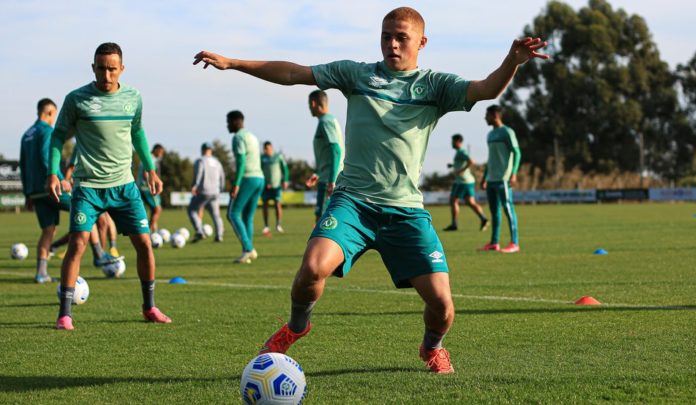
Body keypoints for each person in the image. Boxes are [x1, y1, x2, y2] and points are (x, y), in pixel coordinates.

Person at [194, 6, 547, 373]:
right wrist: (233, 63)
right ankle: (298, 325)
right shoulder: (357, 74)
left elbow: (485, 89)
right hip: (353, 203)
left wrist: (513, 61)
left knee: (443, 307)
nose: (392, 44)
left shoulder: (436, 87)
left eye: (401, 38)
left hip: (406, 211)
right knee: (312, 269)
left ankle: (432, 347)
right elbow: (294, 73)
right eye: (386, 36)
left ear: (421, 43)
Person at [47, 42, 172, 330]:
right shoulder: (76, 99)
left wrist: (150, 169)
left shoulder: (133, 97)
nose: (106, 75)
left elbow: (138, 132)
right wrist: (54, 173)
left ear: (122, 69)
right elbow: (58, 137)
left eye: (112, 69)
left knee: (144, 243)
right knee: (78, 243)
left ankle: (149, 307)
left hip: (124, 186)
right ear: (93, 68)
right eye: (101, 68)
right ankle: (65, 314)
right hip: (87, 187)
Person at [19, 98, 71, 283]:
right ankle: (99, 256)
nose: (53, 119)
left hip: (35, 191)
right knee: (85, 210)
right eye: (54, 115)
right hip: (51, 187)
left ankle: (41, 273)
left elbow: (23, 166)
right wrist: (61, 178)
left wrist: (27, 194)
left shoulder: (26, 134)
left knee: (48, 230)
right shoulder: (48, 131)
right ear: (49, 112)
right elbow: (45, 156)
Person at [64, 147, 124, 265]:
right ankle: (99, 254)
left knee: (103, 223)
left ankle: (100, 254)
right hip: (85, 189)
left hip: (100, 189)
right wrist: (66, 181)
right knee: (89, 225)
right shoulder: (82, 144)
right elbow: (71, 167)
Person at [479, 105, 521, 253]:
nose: (485, 118)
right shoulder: (490, 135)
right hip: (491, 179)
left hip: (504, 178)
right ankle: (494, 243)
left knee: (508, 209)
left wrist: (514, 173)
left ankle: (514, 243)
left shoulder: (507, 132)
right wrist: (484, 177)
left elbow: (517, 152)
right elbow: (491, 158)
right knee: (494, 212)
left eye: (487, 115)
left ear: (495, 115)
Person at [226, 110, 264, 264]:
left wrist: (236, 184)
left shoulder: (238, 137)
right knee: (248, 216)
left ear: (235, 122)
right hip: (259, 177)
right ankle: (249, 251)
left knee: (233, 214)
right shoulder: (252, 136)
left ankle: (248, 249)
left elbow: (241, 162)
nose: (227, 126)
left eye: (228, 122)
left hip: (248, 178)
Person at [305, 90, 344, 223]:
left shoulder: (326, 122)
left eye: (309, 104)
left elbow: (336, 150)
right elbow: (328, 152)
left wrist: (331, 180)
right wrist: (317, 172)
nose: (309, 107)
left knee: (323, 223)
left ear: (313, 103)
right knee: (322, 220)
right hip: (326, 177)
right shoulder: (329, 120)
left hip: (329, 180)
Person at [443, 134, 488, 231]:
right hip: (467, 181)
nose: (451, 143)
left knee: (454, 200)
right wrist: (453, 165)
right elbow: (461, 163)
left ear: (458, 141)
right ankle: (483, 218)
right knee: (470, 202)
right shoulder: (459, 152)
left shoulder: (462, 152)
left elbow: (471, 161)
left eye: (453, 141)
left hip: (462, 181)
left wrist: (461, 170)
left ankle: (454, 224)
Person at [188, 142, 225, 243]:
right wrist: (221, 189)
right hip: (215, 192)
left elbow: (199, 174)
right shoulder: (217, 162)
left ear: (202, 150)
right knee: (216, 215)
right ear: (211, 150)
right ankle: (219, 235)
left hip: (204, 191)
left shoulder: (200, 161)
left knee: (192, 210)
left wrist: (195, 185)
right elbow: (222, 177)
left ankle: (199, 231)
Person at [260, 141, 289, 236]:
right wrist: (264, 183)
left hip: (276, 185)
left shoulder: (278, 156)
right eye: (265, 149)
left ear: (271, 148)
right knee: (265, 205)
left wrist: (285, 180)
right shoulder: (262, 158)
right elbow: (259, 170)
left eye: (267, 148)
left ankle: (278, 224)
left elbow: (285, 169)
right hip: (265, 186)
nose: (266, 150)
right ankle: (266, 225)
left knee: (277, 204)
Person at [137, 143, 165, 232]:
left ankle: (154, 232)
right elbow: (146, 173)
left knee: (153, 210)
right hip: (146, 188)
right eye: (161, 152)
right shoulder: (150, 159)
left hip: (141, 188)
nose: (162, 154)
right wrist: (154, 184)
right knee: (158, 209)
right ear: (156, 150)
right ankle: (147, 231)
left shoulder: (148, 158)